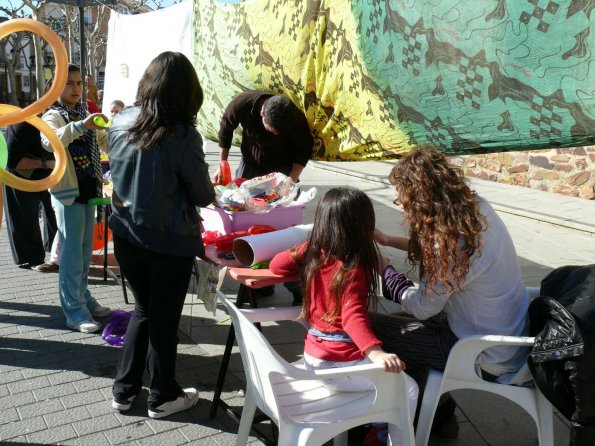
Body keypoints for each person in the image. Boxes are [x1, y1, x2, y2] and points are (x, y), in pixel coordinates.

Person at [372, 146, 529, 433]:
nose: (402, 205)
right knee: (397, 324)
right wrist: (388, 239)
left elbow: (421, 306)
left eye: (405, 199)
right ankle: (435, 414)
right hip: (507, 334)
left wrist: (386, 271)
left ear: (420, 199)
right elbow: (443, 255)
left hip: (485, 354)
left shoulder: (452, 241)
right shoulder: (476, 211)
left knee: (372, 329)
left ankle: (419, 417)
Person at [108, 51, 215, 419]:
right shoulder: (183, 135)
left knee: (144, 309)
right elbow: (203, 194)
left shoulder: (121, 120)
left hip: (125, 235)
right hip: (168, 242)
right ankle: (162, 395)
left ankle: (124, 391)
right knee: (163, 319)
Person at [270, 187, 418, 438]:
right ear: (363, 227)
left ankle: (375, 426)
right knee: (408, 389)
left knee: (390, 383)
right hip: (338, 364)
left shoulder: (314, 251)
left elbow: (276, 265)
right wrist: (376, 353)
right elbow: (352, 318)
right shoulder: (354, 268)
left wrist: (306, 245)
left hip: (312, 356)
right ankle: (384, 437)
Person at [40, 63, 111, 333]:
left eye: (79, 83)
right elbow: (50, 142)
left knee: (83, 253)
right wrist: (82, 125)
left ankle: (84, 299)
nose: (76, 88)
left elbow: (105, 142)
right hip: (67, 193)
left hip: (89, 191)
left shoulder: (85, 111)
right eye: (69, 83)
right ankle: (74, 311)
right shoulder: (53, 115)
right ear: (56, 87)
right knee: (70, 256)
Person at [214, 90, 314, 183]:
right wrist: (222, 164)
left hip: (283, 167)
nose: (276, 135)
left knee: (285, 199)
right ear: (262, 113)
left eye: (281, 133)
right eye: (272, 131)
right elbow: (226, 128)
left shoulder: (296, 117)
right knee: (241, 198)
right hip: (250, 163)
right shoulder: (242, 104)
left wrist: (290, 181)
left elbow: (304, 150)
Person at [3, 121, 58, 271]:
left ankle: (57, 254)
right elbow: (12, 161)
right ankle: (31, 258)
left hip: (49, 169)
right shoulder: (22, 126)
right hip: (19, 172)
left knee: (55, 211)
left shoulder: (58, 121)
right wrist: (46, 163)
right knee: (24, 215)